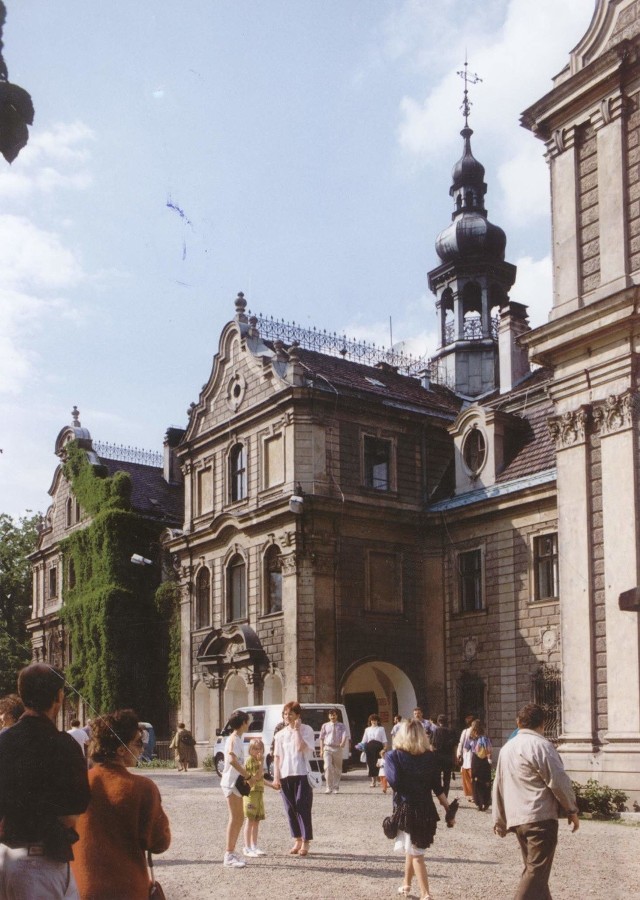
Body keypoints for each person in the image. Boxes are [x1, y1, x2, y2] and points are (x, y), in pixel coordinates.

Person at [0, 663, 90, 899]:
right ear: (58, 696)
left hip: (7, 857)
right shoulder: (63, 745)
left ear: (22, 695)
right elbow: (75, 812)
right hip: (43, 860)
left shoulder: (4, 742)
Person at [71, 709, 170, 899]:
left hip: (82, 887)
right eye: (138, 742)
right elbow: (160, 843)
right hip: (127, 888)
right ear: (121, 749)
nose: (142, 748)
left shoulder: (78, 782)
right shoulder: (143, 788)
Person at [492, 702, 579, 900]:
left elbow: (498, 785)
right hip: (540, 818)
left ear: (518, 723)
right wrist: (571, 810)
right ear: (542, 724)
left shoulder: (506, 748)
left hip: (518, 820)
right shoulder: (542, 745)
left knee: (536, 874)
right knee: (535, 873)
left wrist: (499, 819)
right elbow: (558, 780)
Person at [385, 719, 455, 900]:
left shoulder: (393, 757)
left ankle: (426, 894)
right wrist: (448, 810)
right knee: (413, 848)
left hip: (407, 808)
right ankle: (406, 885)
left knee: (416, 854)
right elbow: (437, 788)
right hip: (426, 809)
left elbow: (394, 783)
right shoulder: (430, 757)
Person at [272, 701, 315, 856]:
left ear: (297, 715)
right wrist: (276, 778)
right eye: (285, 714)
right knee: (290, 808)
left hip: (302, 773)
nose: (287, 716)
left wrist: (297, 730)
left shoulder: (307, 730)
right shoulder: (280, 734)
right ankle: (296, 838)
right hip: (285, 774)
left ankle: (305, 841)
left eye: (290, 713)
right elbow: (276, 757)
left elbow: (300, 748)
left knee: (302, 806)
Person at [219, 709, 258, 868]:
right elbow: (233, 761)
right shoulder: (234, 739)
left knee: (239, 818)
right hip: (231, 782)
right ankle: (228, 855)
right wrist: (248, 776)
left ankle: (231, 852)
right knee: (236, 818)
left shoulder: (237, 738)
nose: (248, 723)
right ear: (243, 723)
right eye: (247, 721)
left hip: (235, 783)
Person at [242, 738, 277, 857]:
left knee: (256, 820)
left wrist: (271, 785)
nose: (257, 751)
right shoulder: (250, 761)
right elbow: (256, 777)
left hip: (259, 793)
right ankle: (247, 847)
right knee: (250, 819)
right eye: (255, 748)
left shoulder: (258, 762)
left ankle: (254, 845)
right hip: (251, 793)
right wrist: (261, 763)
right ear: (250, 750)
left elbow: (261, 779)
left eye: (260, 749)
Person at [319, 708, 347, 794]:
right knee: (327, 767)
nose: (332, 717)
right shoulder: (325, 725)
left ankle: (336, 787)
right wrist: (321, 750)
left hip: (337, 748)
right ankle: (328, 787)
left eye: (334, 715)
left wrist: (342, 742)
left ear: (337, 716)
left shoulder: (342, 725)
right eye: (331, 715)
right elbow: (321, 738)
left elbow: (345, 735)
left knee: (337, 769)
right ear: (329, 716)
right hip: (327, 748)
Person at [466, 719, 492, 811]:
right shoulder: (486, 737)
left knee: (476, 781)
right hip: (484, 760)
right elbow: (489, 750)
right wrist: (489, 759)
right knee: (485, 781)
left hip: (475, 760)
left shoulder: (471, 738)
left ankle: (479, 802)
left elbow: (466, 748)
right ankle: (486, 801)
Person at [431, 714, 458, 797]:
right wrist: (455, 757)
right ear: (447, 722)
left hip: (437, 757)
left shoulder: (435, 731)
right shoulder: (451, 731)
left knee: (437, 776)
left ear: (438, 722)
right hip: (448, 757)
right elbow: (454, 746)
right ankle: (445, 793)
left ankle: (439, 793)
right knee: (447, 777)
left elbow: (432, 745)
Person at [360, 713, 387, 787]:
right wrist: (361, 747)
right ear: (370, 721)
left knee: (378, 763)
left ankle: (380, 780)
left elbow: (384, 739)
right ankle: (373, 781)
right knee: (370, 764)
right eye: (372, 720)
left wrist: (385, 748)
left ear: (378, 721)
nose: (374, 722)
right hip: (369, 748)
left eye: (375, 720)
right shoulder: (367, 729)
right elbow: (364, 740)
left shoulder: (381, 728)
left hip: (378, 747)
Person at [457, 713, 475, 802]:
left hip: (467, 755)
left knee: (467, 776)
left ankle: (470, 794)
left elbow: (461, 743)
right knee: (473, 775)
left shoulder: (466, 731)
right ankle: (474, 794)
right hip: (473, 756)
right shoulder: (478, 731)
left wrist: (458, 754)